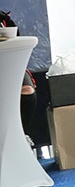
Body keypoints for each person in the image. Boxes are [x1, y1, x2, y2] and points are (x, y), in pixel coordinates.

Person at [0, 10, 37, 145]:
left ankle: (22, 135)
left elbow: (15, 39)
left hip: (8, 62)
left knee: (27, 89)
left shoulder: (3, 18)